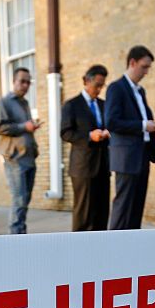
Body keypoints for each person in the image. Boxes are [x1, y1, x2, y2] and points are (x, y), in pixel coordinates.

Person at [106, 45, 155, 230]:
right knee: (123, 210)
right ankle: (114, 253)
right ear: (132, 62)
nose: (146, 72)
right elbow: (112, 122)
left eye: (148, 68)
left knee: (136, 209)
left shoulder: (140, 91)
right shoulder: (116, 88)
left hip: (143, 155)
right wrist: (142, 125)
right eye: (144, 67)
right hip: (126, 158)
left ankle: (132, 253)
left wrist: (150, 125)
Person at [61, 64, 111, 231]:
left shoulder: (105, 105)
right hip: (83, 167)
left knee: (102, 212)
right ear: (85, 81)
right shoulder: (72, 105)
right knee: (84, 213)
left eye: (102, 85)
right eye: (97, 85)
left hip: (103, 166)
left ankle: (100, 249)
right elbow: (65, 133)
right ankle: (78, 250)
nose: (99, 89)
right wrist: (89, 136)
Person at [0, 67, 41, 234]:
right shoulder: (4, 102)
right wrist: (24, 126)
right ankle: (15, 237)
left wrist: (31, 127)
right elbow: (0, 127)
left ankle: (21, 233)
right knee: (19, 199)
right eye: (22, 81)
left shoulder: (25, 103)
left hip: (29, 157)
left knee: (25, 200)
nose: (25, 85)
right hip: (15, 159)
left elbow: (23, 129)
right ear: (14, 81)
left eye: (28, 82)